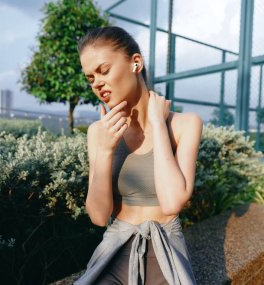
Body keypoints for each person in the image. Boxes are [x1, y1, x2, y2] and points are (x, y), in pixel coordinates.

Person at [74, 26, 202, 285]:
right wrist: (107, 150)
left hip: (165, 246)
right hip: (115, 247)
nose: (97, 83)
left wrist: (157, 124)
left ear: (135, 63)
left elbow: (171, 203)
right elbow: (99, 217)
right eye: (90, 78)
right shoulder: (98, 132)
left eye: (104, 70)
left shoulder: (185, 124)